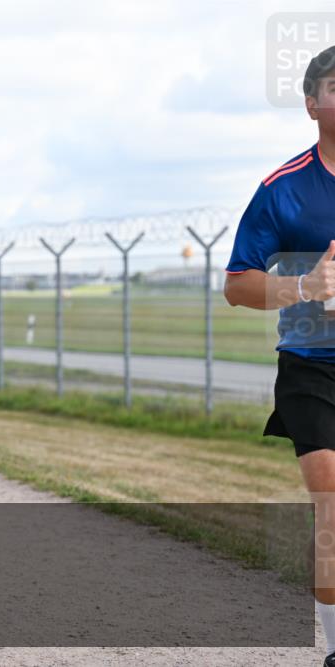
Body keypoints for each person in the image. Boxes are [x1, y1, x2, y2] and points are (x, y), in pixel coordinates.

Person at [222, 46, 335, 667]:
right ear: (312, 103)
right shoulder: (282, 190)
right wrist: (305, 288)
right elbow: (237, 284)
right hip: (313, 369)